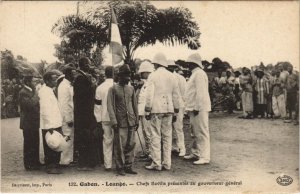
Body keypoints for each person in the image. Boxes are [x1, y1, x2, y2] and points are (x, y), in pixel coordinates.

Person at [144, 53, 180, 171]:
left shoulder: (152, 76)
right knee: (167, 136)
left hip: (156, 109)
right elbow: (176, 94)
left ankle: (157, 163)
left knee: (155, 135)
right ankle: (167, 163)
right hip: (169, 109)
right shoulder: (172, 76)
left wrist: (147, 110)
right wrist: (176, 110)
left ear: (156, 63)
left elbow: (149, 95)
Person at [107, 64, 139, 175]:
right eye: (125, 75)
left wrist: (137, 119)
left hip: (131, 120)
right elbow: (110, 106)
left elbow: (135, 105)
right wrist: (114, 121)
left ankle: (128, 166)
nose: (128, 78)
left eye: (129, 75)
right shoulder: (113, 89)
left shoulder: (131, 89)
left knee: (131, 144)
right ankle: (120, 167)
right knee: (120, 145)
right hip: (120, 122)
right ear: (119, 76)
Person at [184, 53, 211, 165]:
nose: (188, 65)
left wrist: (197, 107)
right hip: (193, 107)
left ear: (193, 63)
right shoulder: (195, 74)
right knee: (194, 131)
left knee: (201, 132)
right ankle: (196, 153)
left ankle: (205, 157)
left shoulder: (199, 74)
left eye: (189, 63)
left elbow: (201, 92)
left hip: (199, 108)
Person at [73, 57, 99, 170]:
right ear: (83, 65)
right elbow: (82, 95)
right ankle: (83, 163)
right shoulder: (79, 78)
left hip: (86, 112)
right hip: (83, 113)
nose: (90, 65)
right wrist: (93, 86)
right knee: (84, 137)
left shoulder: (83, 76)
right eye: (88, 64)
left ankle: (88, 162)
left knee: (87, 137)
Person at [39, 70, 63, 174]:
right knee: (51, 144)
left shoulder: (49, 90)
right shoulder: (44, 92)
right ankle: (51, 166)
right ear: (47, 81)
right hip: (50, 124)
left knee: (56, 144)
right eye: (53, 79)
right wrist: (49, 125)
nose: (56, 81)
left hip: (55, 122)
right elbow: (44, 110)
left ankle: (54, 164)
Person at [19, 71, 41, 170]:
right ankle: (28, 164)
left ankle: (36, 162)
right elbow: (30, 104)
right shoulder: (23, 92)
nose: (35, 83)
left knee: (35, 142)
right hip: (28, 123)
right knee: (29, 143)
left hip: (34, 122)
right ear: (28, 82)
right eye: (33, 81)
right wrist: (37, 94)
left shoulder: (31, 91)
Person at [94, 66, 114, 170]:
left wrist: (98, 119)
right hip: (116, 118)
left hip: (104, 118)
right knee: (118, 141)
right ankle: (120, 164)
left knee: (107, 141)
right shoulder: (117, 86)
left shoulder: (100, 87)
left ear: (105, 74)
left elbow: (97, 106)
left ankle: (108, 165)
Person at [167, 60, 187, 157]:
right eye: (168, 66)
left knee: (178, 127)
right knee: (169, 127)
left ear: (175, 67)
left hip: (178, 105)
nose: (170, 68)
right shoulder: (166, 77)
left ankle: (182, 148)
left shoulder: (180, 78)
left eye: (172, 66)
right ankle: (174, 146)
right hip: (168, 105)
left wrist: (183, 105)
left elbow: (184, 93)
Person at [58, 67, 76, 166]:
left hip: (70, 116)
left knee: (70, 137)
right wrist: (68, 119)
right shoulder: (63, 86)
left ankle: (69, 159)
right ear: (68, 74)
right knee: (67, 138)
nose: (74, 76)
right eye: (73, 73)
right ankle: (64, 160)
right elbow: (64, 104)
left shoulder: (67, 85)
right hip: (66, 118)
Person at [137, 61, 155, 160]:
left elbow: (148, 99)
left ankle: (151, 154)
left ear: (147, 72)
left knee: (148, 132)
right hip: (142, 112)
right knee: (145, 132)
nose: (141, 74)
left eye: (143, 72)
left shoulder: (150, 84)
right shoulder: (145, 84)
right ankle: (148, 152)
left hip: (146, 112)